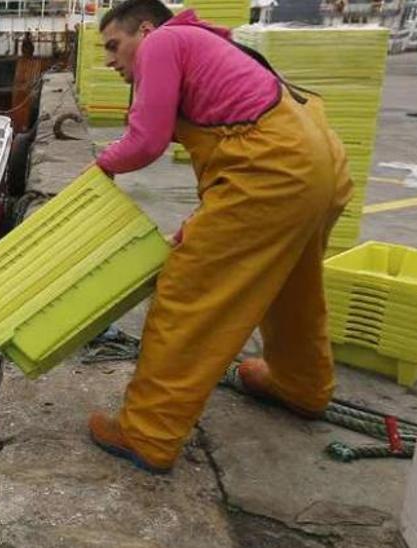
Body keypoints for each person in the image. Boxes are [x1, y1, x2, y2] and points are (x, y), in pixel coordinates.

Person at [87, 0, 352, 474]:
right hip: (316, 162)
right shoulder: (209, 44)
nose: (109, 60)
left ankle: (147, 432)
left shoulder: (164, 42)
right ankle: (302, 386)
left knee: (188, 293)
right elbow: (231, 158)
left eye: (113, 45)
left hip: (274, 171)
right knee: (293, 286)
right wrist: (197, 226)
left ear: (145, 30)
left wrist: (100, 167)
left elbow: (145, 140)